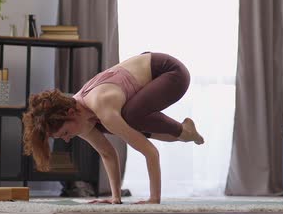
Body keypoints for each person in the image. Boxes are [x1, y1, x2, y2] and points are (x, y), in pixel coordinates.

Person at [22, 51, 204, 204]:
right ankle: (184, 133)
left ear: (70, 113)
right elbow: (107, 153)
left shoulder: (101, 106)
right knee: (121, 123)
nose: (68, 139)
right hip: (144, 78)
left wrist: (154, 199)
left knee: (129, 116)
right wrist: (115, 197)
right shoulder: (81, 116)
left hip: (171, 72)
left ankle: (184, 131)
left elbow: (150, 152)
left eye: (66, 133)